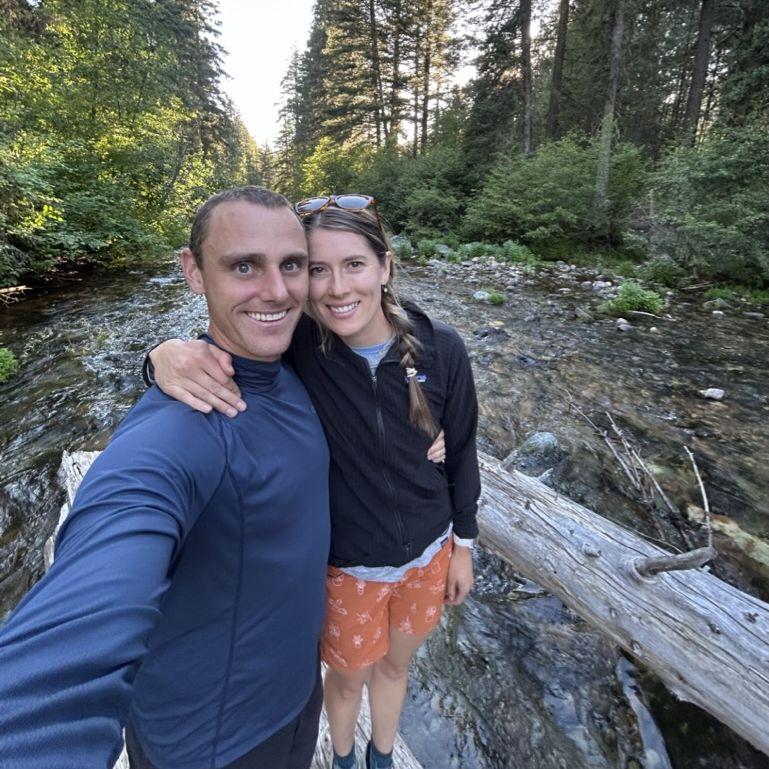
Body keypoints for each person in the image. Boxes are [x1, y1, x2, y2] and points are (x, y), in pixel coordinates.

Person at [0, 186, 331, 769]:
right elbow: (88, 601)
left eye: (292, 265)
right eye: (243, 266)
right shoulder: (177, 434)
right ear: (194, 272)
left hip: (297, 693)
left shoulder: (296, 353)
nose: (277, 291)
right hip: (214, 743)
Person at [148, 194, 480, 769]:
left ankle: (382, 756)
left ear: (385, 266)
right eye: (317, 269)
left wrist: (464, 546)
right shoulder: (299, 346)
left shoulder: (440, 347)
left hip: (430, 552)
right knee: (346, 681)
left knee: (397, 667)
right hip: (349, 568)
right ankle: (345, 756)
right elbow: (225, 346)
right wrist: (160, 356)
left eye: (353, 265)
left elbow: (465, 450)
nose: (335, 288)